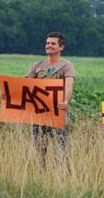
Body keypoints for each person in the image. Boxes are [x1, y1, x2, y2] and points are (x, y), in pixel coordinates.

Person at [25, 32, 76, 168]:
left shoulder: (66, 66)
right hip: (39, 113)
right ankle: (42, 175)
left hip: (58, 112)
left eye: (53, 43)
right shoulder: (37, 66)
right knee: (39, 148)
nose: (49, 46)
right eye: (47, 43)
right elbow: (25, 84)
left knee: (61, 148)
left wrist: (65, 100)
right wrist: (8, 93)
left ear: (61, 47)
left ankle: (63, 175)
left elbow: (69, 85)